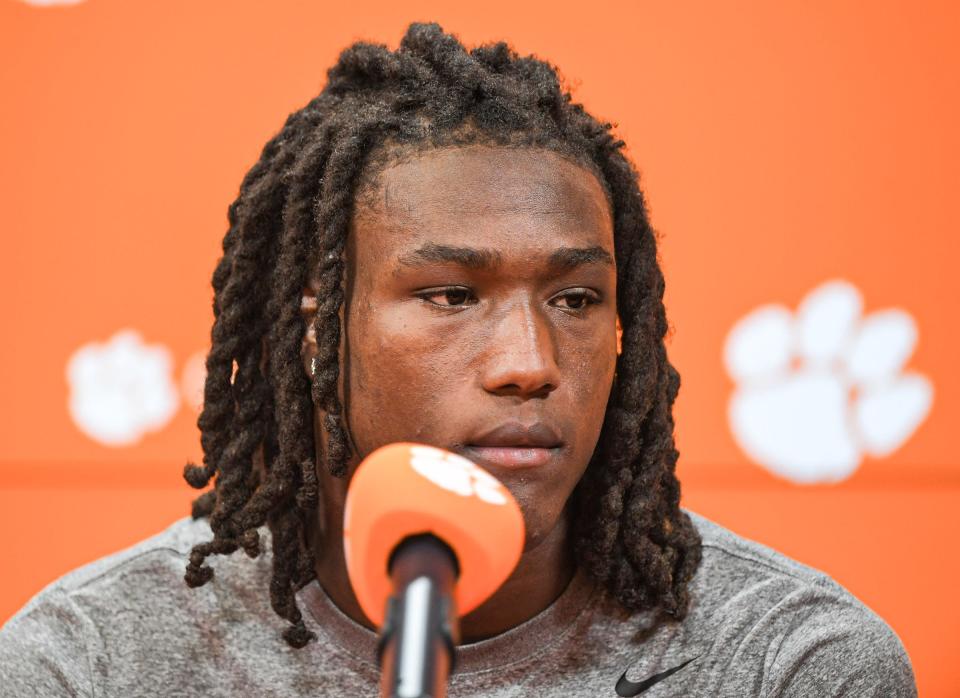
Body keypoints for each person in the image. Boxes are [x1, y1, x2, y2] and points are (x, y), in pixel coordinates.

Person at [0, 22, 916, 697]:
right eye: (450, 296)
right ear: (319, 331)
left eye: (575, 300)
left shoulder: (791, 666)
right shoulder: (90, 664)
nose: (529, 362)